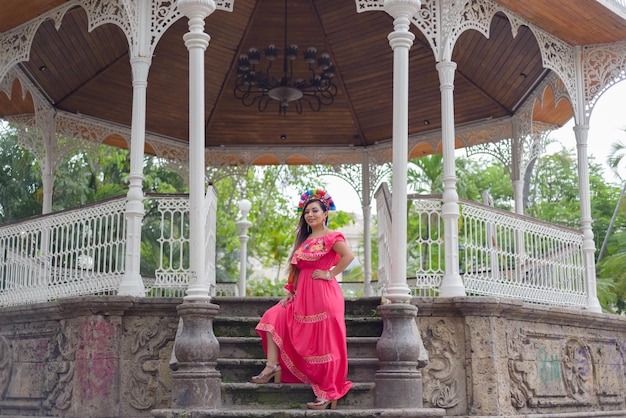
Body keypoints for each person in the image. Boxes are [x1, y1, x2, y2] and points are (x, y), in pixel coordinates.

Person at [252, 189, 355, 410]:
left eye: (315, 210)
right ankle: (272, 366)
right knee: (273, 316)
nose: (310, 214)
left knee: (326, 343)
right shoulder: (305, 239)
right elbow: (297, 269)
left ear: (325, 213)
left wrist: (330, 273)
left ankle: (328, 392)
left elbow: (349, 256)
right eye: (306, 211)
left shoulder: (332, 236)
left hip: (324, 296)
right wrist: (290, 290)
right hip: (303, 296)